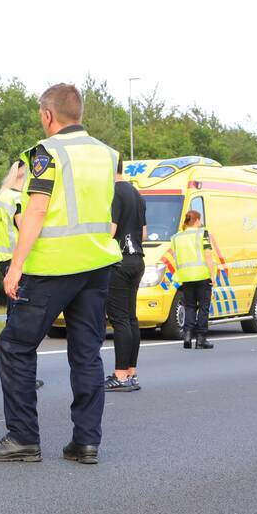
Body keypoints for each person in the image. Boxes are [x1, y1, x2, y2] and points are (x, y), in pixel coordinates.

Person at [0, 83, 121, 465]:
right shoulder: (107, 154)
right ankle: (86, 442)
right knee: (87, 353)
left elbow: (37, 212)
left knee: (16, 345)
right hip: (96, 265)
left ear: (48, 115)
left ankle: (23, 438)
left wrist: (18, 265)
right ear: (80, 113)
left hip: (52, 266)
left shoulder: (46, 153)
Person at [0, 161, 44, 391]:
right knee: (22, 324)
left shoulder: (0, 199)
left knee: (13, 321)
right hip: (18, 263)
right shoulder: (17, 199)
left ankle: (11, 374)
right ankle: (22, 377)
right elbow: (26, 228)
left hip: (3, 260)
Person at [105, 157, 148, 392]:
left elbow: (110, 230)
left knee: (119, 319)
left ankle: (119, 376)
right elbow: (143, 231)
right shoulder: (136, 194)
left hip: (119, 261)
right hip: (136, 259)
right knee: (131, 318)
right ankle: (131, 373)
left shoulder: (113, 193)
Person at [169, 210, 216, 349]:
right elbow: (208, 255)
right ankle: (201, 339)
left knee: (190, 306)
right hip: (202, 275)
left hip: (186, 276)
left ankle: (188, 336)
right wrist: (212, 274)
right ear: (196, 221)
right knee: (203, 307)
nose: (201, 223)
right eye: (199, 221)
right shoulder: (203, 234)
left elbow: (175, 256)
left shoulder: (176, 237)